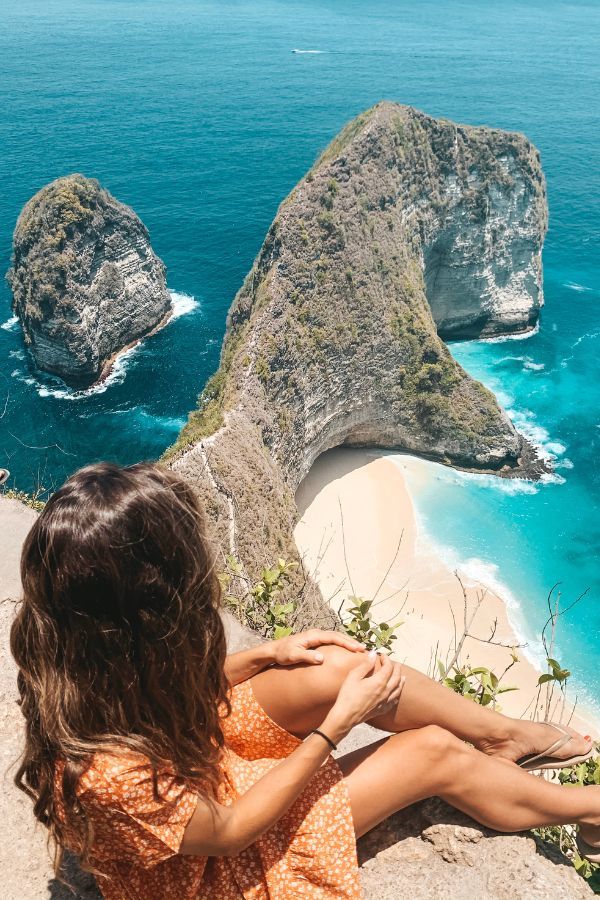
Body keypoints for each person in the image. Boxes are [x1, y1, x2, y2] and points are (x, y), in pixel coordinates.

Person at [10, 461, 600, 900]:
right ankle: (589, 808)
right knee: (432, 753)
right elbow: (228, 833)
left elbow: (139, 690)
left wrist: (265, 654)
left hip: (179, 763)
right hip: (207, 872)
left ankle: (504, 736)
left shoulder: (66, 642)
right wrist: (334, 729)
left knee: (337, 668)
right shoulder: (105, 773)